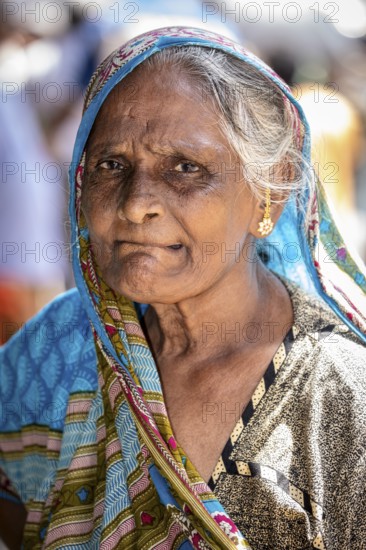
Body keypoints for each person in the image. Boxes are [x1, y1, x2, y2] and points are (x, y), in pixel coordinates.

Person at [0, 26, 365, 550]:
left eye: (186, 168)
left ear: (268, 190)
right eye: (111, 165)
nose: (134, 204)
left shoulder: (343, 398)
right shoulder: (63, 346)